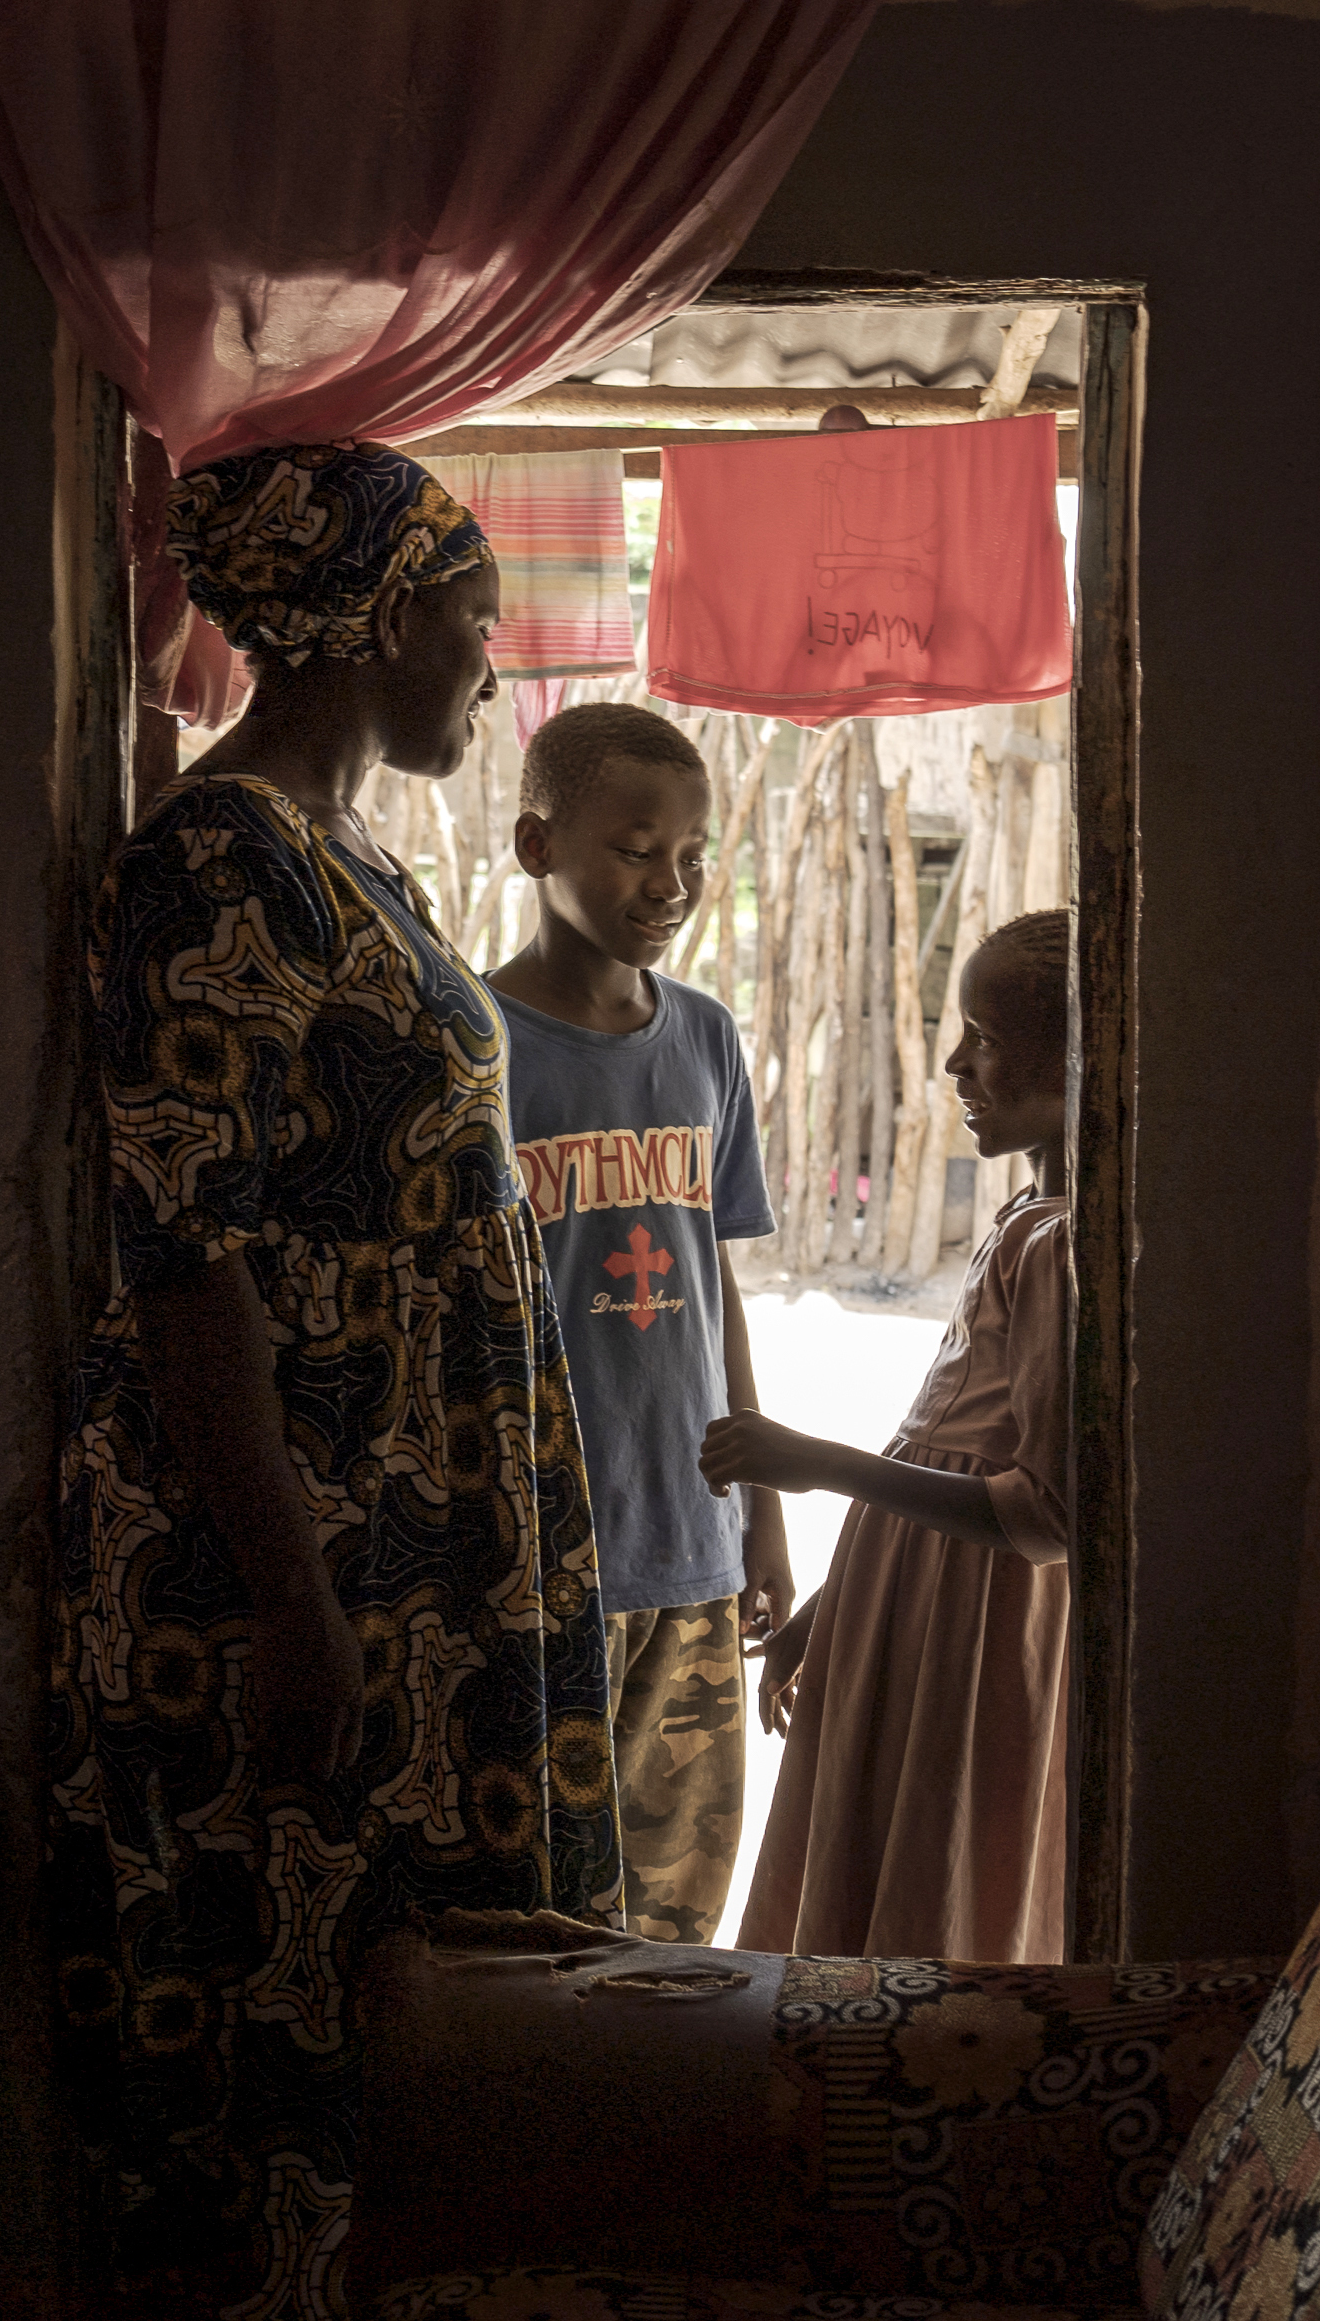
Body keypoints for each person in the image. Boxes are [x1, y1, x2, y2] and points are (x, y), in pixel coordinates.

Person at [51, 441, 618, 2321]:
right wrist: (293, 1596)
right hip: (309, 1527)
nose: (488, 662)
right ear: (372, 620)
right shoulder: (210, 868)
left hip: (408, 1507)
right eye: (472, 618)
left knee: (422, 1981)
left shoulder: (344, 853)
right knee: (304, 1985)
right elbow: (183, 1253)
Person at [699, 907, 1075, 1962]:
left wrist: (811, 1463)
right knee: (879, 1860)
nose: (955, 1062)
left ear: (1080, 1060)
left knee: (927, 1879)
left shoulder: (1059, 1244)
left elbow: (1042, 1517)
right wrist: (833, 1608)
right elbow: (939, 1447)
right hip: (920, 1601)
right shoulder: (1024, 1216)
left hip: (971, 1625)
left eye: (987, 1039)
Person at [484, 702, 793, 1944]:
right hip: (544, 1561)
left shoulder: (704, 1039)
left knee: (676, 1916)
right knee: (540, 1919)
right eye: (634, 848)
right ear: (534, 846)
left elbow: (716, 1292)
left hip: (693, 1545)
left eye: (692, 854)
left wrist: (761, 1517)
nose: (671, 883)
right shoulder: (481, 1049)